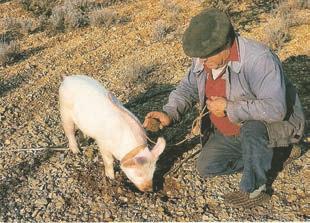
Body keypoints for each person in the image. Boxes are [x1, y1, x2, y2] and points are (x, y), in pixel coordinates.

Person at [143, 8, 305, 207]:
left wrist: (229, 108)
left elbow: (275, 108)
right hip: (230, 132)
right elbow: (188, 87)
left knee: (252, 127)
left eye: (207, 57)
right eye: (200, 57)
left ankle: (255, 189)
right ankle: (276, 155)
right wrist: (169, 113)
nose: (201, 62)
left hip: (270, 126)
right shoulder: (204, 56)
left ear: (226, 44)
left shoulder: (259, 59)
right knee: (207, 167)